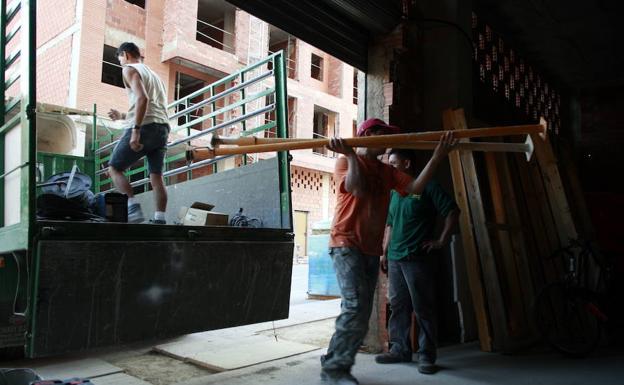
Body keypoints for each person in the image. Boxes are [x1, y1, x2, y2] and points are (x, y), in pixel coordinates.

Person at [320, 118, 457, 385]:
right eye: (385, 136)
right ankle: (335, 371)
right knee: (355, 307)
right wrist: (349, 153)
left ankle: (333, 358)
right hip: (346, 243)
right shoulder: (344, 162)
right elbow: (357, 189)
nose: (389, 142)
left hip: (370, 249)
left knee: (358, 309)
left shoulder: (386, 171)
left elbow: (415, 188)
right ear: (370, 134)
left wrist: (438, 156)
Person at [375, 148, 459, 375]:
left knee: (423, 308)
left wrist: (441, 240)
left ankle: (426, 356)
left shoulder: (429, 186)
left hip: (417, 259)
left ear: (407, 164)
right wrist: (384, 252)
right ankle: (399, 349)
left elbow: (452, 211)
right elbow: (390, 224)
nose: (389, 168)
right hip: (395, 258)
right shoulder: (395, 192)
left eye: (393, 163)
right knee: (398, 306)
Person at [107, 42, 170, 224]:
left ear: (125, 55)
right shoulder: (154, 75)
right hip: (162, 128)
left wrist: (135, 131)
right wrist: (122, 115)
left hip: (145, 127)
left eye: (119, 58)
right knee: (156, 175)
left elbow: (143, 98)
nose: (120, 62)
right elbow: (149, 105)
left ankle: (133, 209)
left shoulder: (129, 69)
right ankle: (160, 219)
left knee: (114, 168)